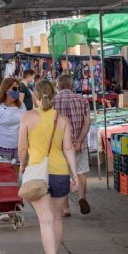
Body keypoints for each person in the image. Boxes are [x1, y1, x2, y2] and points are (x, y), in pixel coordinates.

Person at [18, 79, 80, 254]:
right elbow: (69, 148)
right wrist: (75, 175)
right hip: (60, 172)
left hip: (37, 172)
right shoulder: (62, 120)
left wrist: (21, 165)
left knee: (45, 221)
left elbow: (22, 148)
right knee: (56, 218)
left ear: (35, 96)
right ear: (53, 96)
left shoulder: (27, 117)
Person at [53, 74, 92, 216]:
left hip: (60, 145)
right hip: (79, 144)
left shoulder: (53, 101)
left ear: (58, 86)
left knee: (62, 174)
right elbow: (87, 122)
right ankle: (82, 197)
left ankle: (66, 208)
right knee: (80, 171)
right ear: (72, 86)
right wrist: (80, 140)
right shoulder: (82, 100)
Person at [0, 77, 26, 170]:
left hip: (18, 147)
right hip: (2, 148)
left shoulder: (21, 106)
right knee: (3, 178)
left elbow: (26, 125)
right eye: (14, 88)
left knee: (15, 177)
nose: (17, 91)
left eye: (18, 88)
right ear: (6, 90)